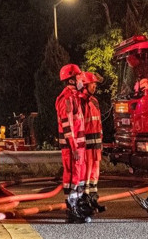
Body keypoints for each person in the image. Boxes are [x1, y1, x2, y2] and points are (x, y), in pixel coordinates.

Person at [56, 63, 89, 223]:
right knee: (72, 178)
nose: (81, 79)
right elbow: (67, 125)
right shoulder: (67, 99)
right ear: (70, 80)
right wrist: (74, 147)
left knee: (79, 177)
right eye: (78, 76)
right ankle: (72, 209)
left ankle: (78, 207)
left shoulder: (74, 97)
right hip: (72, 148)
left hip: (79, 147)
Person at [81, 72, 106, 213]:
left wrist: (101, 141)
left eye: (95, 84)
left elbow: (98, 123)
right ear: (85, 85)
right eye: (92, 84)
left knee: (95, 171)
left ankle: (93, 198)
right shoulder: (81, 102)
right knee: (87, 170)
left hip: (96, 143)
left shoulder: (94, 101)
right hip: (86, 144)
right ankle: (85, 199)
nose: (95, 86)